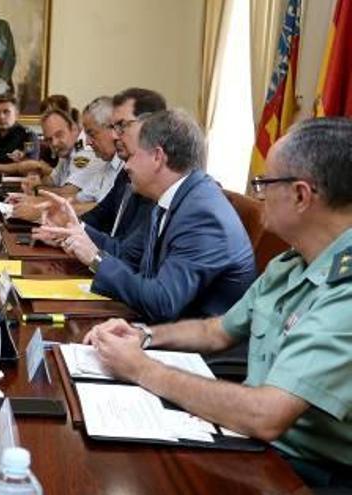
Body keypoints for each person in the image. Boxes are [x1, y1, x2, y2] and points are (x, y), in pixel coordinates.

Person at [84, 117, 352, 489]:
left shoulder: (345, 290)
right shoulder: (292, 262)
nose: (257, 195)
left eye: (264, 183)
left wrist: (142, 369)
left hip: (309, 473)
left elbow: (267, 415)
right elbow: (217, 330)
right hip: (258, 445)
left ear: (302, 195)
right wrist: (143, 335)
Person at [33, 109, 256, 322]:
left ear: (157, 157)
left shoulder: (203, 215)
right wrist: (75, 230)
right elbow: (128, 257)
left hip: (194, 349)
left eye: (130, 156)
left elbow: (162, 302)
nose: (125, 166)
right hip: (156, 325)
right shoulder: (170, 197)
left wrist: (95, 259)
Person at [76, 87, 165, 240]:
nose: (113, 135)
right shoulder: (125, 173)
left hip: (110, 261)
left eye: (122, 126)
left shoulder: (156, 182)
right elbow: (98, 216)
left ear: (149, 125)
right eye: (113, 127)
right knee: (19, 264)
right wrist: (66, 228)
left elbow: (128, 253)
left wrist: (76, 238)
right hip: (107, 260)